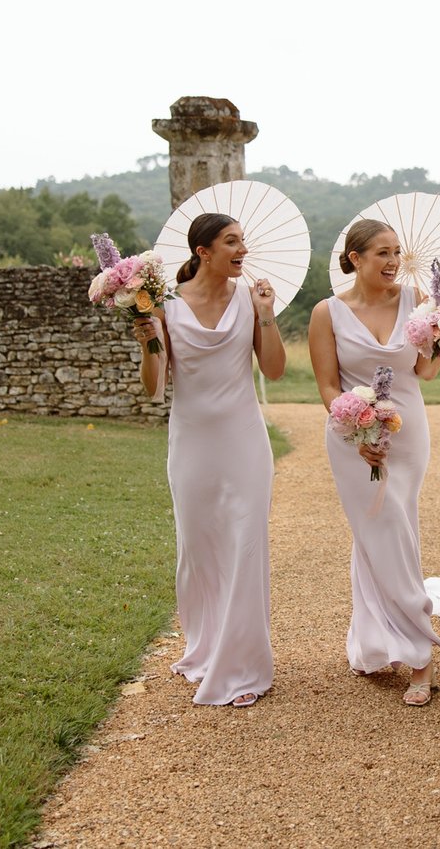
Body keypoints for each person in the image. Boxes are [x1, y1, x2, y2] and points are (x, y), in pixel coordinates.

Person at [133, 212, 286, 707]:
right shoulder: (166, 307)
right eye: (231, 242)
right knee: (199, 552)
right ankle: (204, 648)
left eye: (243, 240)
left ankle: (243, 666)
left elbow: (277, 370)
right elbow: (155, 387)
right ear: (203, 252)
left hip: (244, 442)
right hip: (192, 445)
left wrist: (266, 313)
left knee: (245, 548)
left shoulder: (250, 298)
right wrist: (148, 343)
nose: (242, 249)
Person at [307, 219, 440, 706]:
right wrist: (356, 426)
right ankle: (416, 652)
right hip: (352, 438)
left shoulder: (419, 304)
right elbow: (328, 385)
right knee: (379, 531)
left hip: (407, 434)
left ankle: (386, 642)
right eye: (382, 253)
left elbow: (426, 372)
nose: (393, 262)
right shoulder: (326, 312)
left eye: (397, 253)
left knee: (395, 528)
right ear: (355, 259)